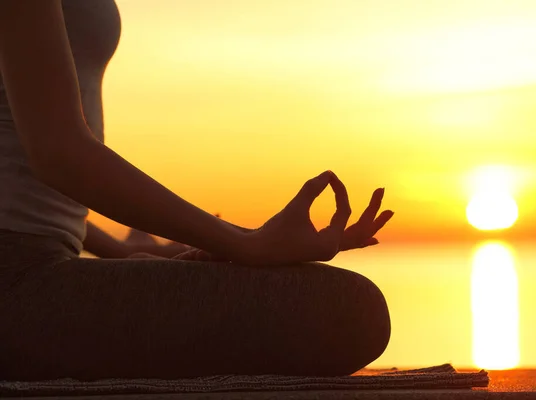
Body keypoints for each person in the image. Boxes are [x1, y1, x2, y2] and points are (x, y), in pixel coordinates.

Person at [0, 0, 394, 381]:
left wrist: (123, 251)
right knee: (349, 311)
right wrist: (246, 245)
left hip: (42, 260)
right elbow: (58, 153)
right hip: (16, 279)